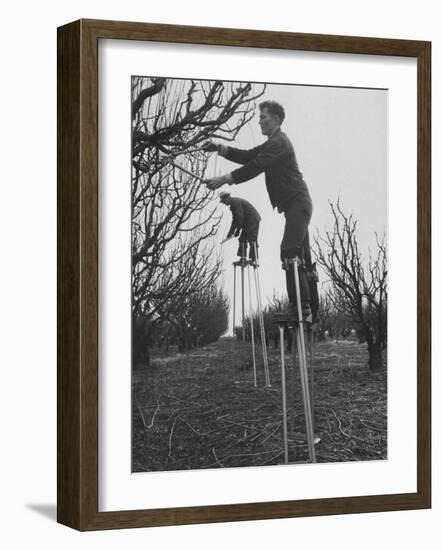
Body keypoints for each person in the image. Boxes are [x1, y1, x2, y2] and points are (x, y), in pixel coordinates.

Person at [204, 100, 314, 322]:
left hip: (298, 204)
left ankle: (302, 308)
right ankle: (305, 308)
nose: (259, 121)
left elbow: (255, 166)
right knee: (295, 256)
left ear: (276, 119)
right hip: (295, 206)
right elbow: (247, 156)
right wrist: (220, 149)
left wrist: (224, 180)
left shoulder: (280, 143)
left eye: (263, 117)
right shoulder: (272, 142)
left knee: (289, 253)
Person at [219, 192, 261, 262]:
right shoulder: (233, 205)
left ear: (227, 198)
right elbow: (235, 220)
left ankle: (253, 259)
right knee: (242, 239)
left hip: (253, 220)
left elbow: (240, 218)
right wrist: (230, 233)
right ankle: (243, 258)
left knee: (252, 239)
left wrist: (237, 231)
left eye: (223, 201)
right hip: (246, 221)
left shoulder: (236, 203)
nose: (223, 203)